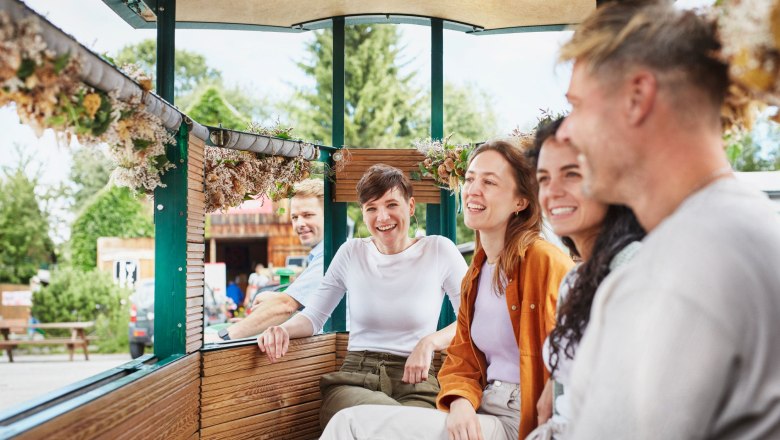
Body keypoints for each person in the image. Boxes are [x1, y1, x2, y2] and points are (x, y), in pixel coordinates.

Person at [556, 2, 780, 438]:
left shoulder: (679, 271)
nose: (565, 131)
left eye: (577, 105)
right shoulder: (744, 227)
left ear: (637, 97)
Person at [320, 140, 573, 440]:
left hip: (522, 417)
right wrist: (461, 401)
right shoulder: (477, 273)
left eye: (489, 182)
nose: (473, 190)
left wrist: (555, 395)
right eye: (470, 179)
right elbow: (463, 358)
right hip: (481, 410)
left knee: (350, 424)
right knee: (350, 420)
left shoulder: (546, 261)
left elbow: (585, 345)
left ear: (521, 201)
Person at [258, 164, 468, 428]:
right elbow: (313, 317)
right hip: (355, 379)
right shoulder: (351, 252)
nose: (382, 217)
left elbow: (470, 318)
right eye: (371, 208)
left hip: (417, 382)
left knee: (398, 426)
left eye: (392, 205)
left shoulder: (438, 249)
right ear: (363, 213)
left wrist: (429, 342)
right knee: (407, 428)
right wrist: (282, 329)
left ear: (411, 206)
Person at [524, 116, 645, 439]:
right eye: (544, 178)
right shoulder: (575, 281)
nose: (552, 191)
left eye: (572, 174)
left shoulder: (635, 271)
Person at [206, 179, 327, 342]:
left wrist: (225, 336)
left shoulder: (331, 256)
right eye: (294, 217)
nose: (299, 224)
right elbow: (313, 314)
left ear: (329, 216)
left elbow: (286, 306)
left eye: (308, 215)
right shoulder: (320, 255)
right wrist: (259, 319)